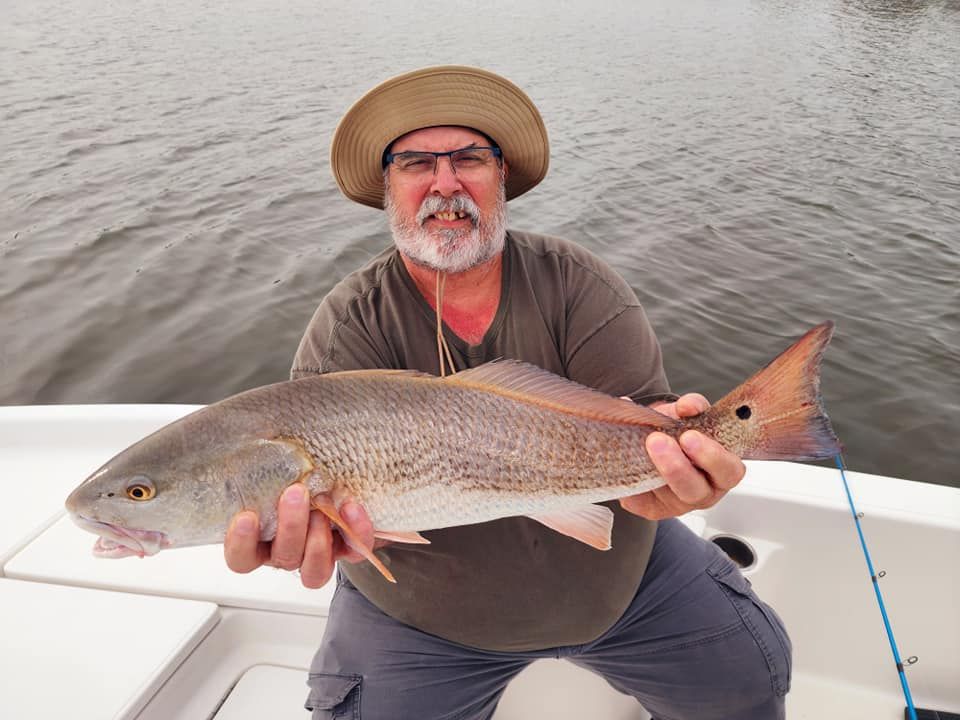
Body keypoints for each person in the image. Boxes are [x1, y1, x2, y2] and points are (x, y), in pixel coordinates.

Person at [224, 66, 792, 719]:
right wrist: (316, 535)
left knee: (750, 680)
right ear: (389, 189)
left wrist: (676, 464)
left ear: (501, 180)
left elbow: (644, 426)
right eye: (415, 163)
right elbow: (333, 514)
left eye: (469, 158)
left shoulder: (580, 284)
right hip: (425, 617)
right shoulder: (350, 323)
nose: (445, 183)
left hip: (627, 582)